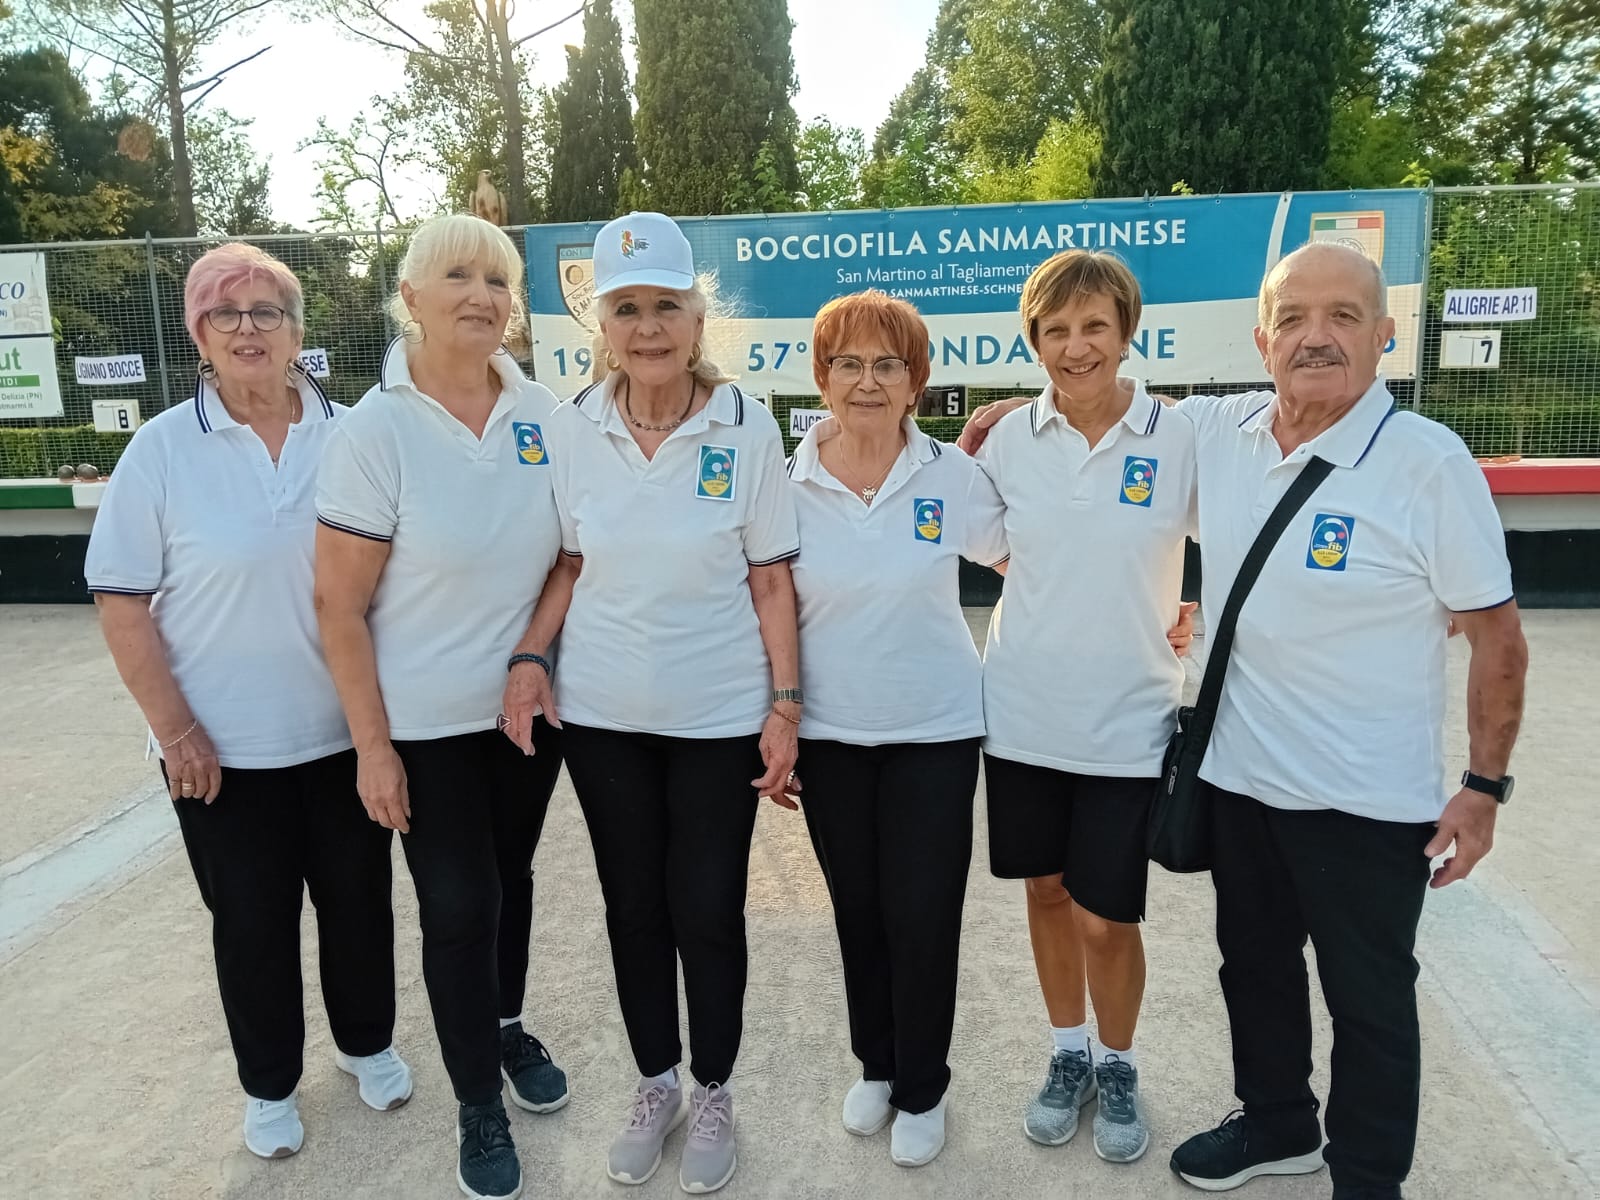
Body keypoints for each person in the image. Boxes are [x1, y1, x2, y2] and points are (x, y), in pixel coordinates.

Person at [1160, 242, 1528, 1200]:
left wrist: (1484, 789)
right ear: (1260, 338)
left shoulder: (1427, 464)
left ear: (1385, 336)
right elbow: (1104, 407)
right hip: (1238, 781)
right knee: (1255, 970)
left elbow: (1498, 638)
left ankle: (1368, 1180)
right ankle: (1279, 1123)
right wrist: (995, 415)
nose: (1315, 338)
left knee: (1368, 1002)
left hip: (1368, 803)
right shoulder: (1224, 431)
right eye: (1293, 318)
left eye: (1343, 317)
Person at [85, 242, 412, 1161]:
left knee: (359, 904)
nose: (247, 330)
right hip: (220, 752)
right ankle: (269, 1087)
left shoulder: (349, 433)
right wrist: (174, 728)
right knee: (252, 925)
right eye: (224, 315)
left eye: (266, 311)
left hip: (344, 733)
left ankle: (367, 1044)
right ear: (198, 336)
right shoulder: (159, 450)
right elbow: (120, 601)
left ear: (298, 330)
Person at [502, 211, 799, 1195]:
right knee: (634, 907)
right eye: (626, 309)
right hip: (603, 719)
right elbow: (567, 561)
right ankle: (656, 1083)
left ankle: (714, 1090)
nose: (647, 327)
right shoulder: (567, 426)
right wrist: (532, 657)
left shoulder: (745, 424)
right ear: (603, 324)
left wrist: (785, 705)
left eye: (665, 306)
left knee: (706, 907)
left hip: (717, 719)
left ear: (696, 315)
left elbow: (768, 578)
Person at [314, 214, 567, 1200]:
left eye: (498, 280)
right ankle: (478, 1103)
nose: (482, 295)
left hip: (526, 711)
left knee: (511, 880)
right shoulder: (372, 432)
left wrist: (533, 655)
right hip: (422, 726)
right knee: (459, 904)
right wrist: (371, 749)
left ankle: (502, 1027)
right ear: (409, 298)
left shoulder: (543, 411)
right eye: (457, 275)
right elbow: (338, 605)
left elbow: (570, 557)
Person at [973, 249, 1197, 1167]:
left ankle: (1120, 1062)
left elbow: (1253, 522)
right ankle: (1067, 1054)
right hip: (1022, 712)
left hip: (1129, 723)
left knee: (1109, 915)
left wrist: (1191, 610)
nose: (1076, 346)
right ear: (1034, 339)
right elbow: (972, 531)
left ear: (1125, 332)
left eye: (1094, 327)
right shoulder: (1006, 439)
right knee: (1046, 891)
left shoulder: (1181, 435)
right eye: (1056, 330)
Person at [786, 290, 1009, 1168]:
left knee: (923, 915)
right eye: (849, 364)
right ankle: (876, 1066)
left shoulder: (952, 475)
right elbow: (759, 602)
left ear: (916, 381)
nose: (868, 381)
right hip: (832, 737)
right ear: (823, 377)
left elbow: (1030, 557)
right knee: (860, 913)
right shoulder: (785, 477)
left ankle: (923, 1086)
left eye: (888, 365)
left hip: (937, 732)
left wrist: (1155, 607)